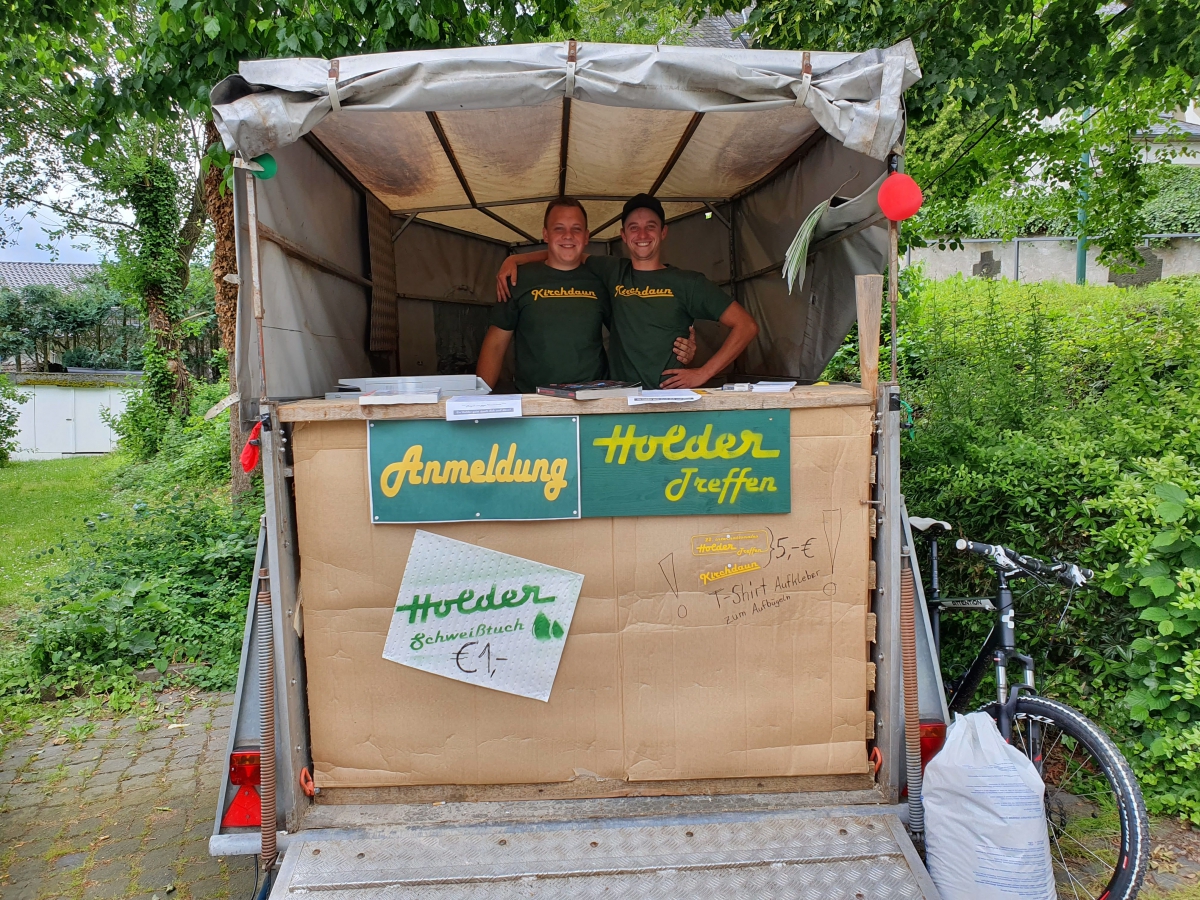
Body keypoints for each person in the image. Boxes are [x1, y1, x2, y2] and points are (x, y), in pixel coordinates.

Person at [496, 193, 758, 389]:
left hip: (668, 399)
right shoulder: (611, 271)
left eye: (651, 226)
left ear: (664, 232)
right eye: (634, 227)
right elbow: (566, 251)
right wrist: (516, 260)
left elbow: (746, 326)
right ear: (623, 235)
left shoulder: (688, 282)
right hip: (619, 399)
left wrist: (703, 372)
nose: (642, 234)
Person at [477, 197, 694, 392]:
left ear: (587, 236)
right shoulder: (518, 279)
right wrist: (476, 402)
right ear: (545, 234)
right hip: (534, 401)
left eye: (576, 229)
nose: (568, 236)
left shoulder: (603, 279)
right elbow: (495, 345)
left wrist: (683, 350)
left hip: (593, 399)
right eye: (559, 228)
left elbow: (635, 332)